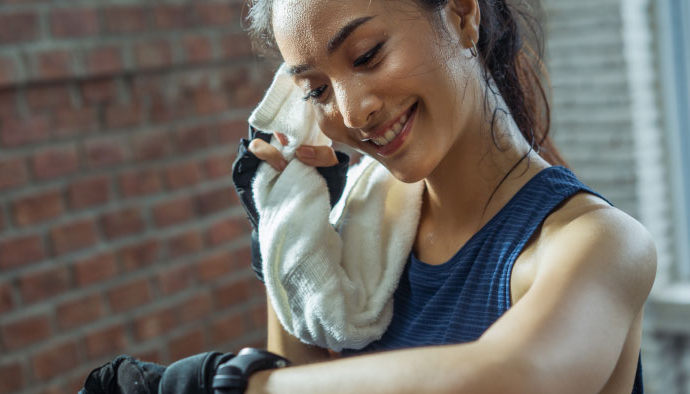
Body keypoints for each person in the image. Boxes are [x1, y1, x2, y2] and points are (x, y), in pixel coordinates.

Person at [241, 0, 657, 393]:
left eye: (367, 55)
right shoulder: (366, 236)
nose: (352, 114)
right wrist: (285, 222)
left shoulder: (599, 243)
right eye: (317, 91)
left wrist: (245, 385)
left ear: (461, 13)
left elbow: (516, 376)